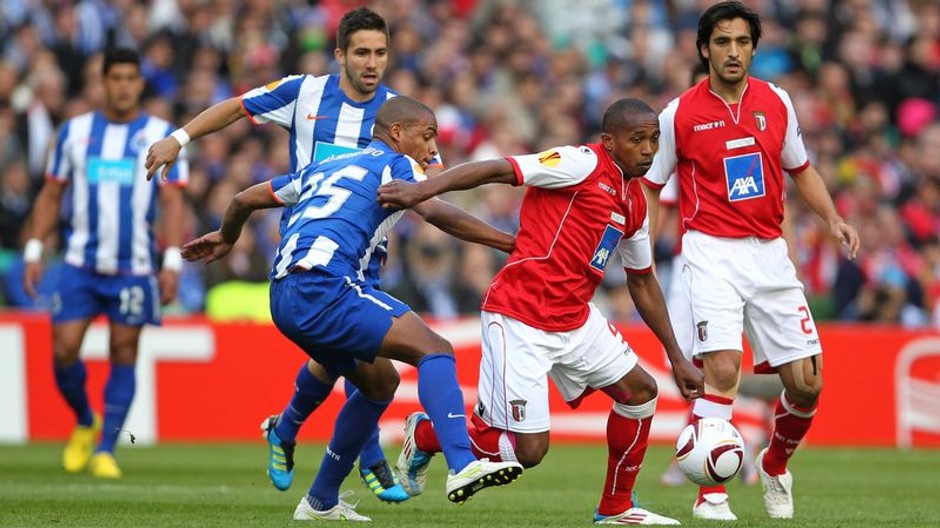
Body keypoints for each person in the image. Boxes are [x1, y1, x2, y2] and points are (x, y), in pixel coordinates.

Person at [182, 96, 523, 521]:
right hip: (325, 285)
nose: (433, 149)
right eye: (427, 136)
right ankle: (460, 464)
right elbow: (437, 212)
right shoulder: (398, 166)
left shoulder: (322, 167)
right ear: (397, 134)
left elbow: (243, 199)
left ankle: (321, 499)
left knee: (380, 383)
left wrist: (226, 235)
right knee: (435, 349)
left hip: (283, 294)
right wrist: (511, 243)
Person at [378, 98, 705, 526]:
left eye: (654, 141)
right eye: (637, 140)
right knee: (529, 452)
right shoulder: (580, 163)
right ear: (609, 142)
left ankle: (616, 507)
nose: (648, 150)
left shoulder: (635, 204)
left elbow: (642, 281)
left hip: (576, 318)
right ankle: (424, 436)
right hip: (521, 316)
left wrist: (677, 357)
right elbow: (499, 168)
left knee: (641, 393)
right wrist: (423, 190)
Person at [145, 7, 420, 501]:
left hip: (369, 254)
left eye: (380, 52)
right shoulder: (305, 92)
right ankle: (365, 455)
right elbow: (235, 106)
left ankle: (294, 432)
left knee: (350, 358)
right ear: (340, 54)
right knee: (361, 357)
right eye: (361, 52)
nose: (372, 62)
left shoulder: (399, 113)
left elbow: (430, 172)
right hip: (308, 252)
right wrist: (178, 138)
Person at [640, 2, 861, 521]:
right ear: (704, 49)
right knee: (721, 365)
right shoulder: (679, 115)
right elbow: (651, 186)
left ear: (754, 48)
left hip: (769, 254)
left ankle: (776, 464)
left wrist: (832, 219)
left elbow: (801, 169)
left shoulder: (777, 102)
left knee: (807, 383)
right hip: (709, 250)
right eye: (722, 42)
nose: (733, 51)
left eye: (742, 41)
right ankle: (710, 494)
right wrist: (642, 246)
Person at [22, 48, 187, 478]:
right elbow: (51, 193)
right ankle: (83, 420)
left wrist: (170, 260)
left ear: (139, 83)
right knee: (62, 350)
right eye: (116, 78)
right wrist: (36, 249)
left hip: (133, 267)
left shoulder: (160, 135)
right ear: (103, 82)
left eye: (132, 78)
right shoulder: (74, 133)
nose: (124, 86)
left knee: (124, 351)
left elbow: (172, 200)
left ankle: (106, 449)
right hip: (79, 263)